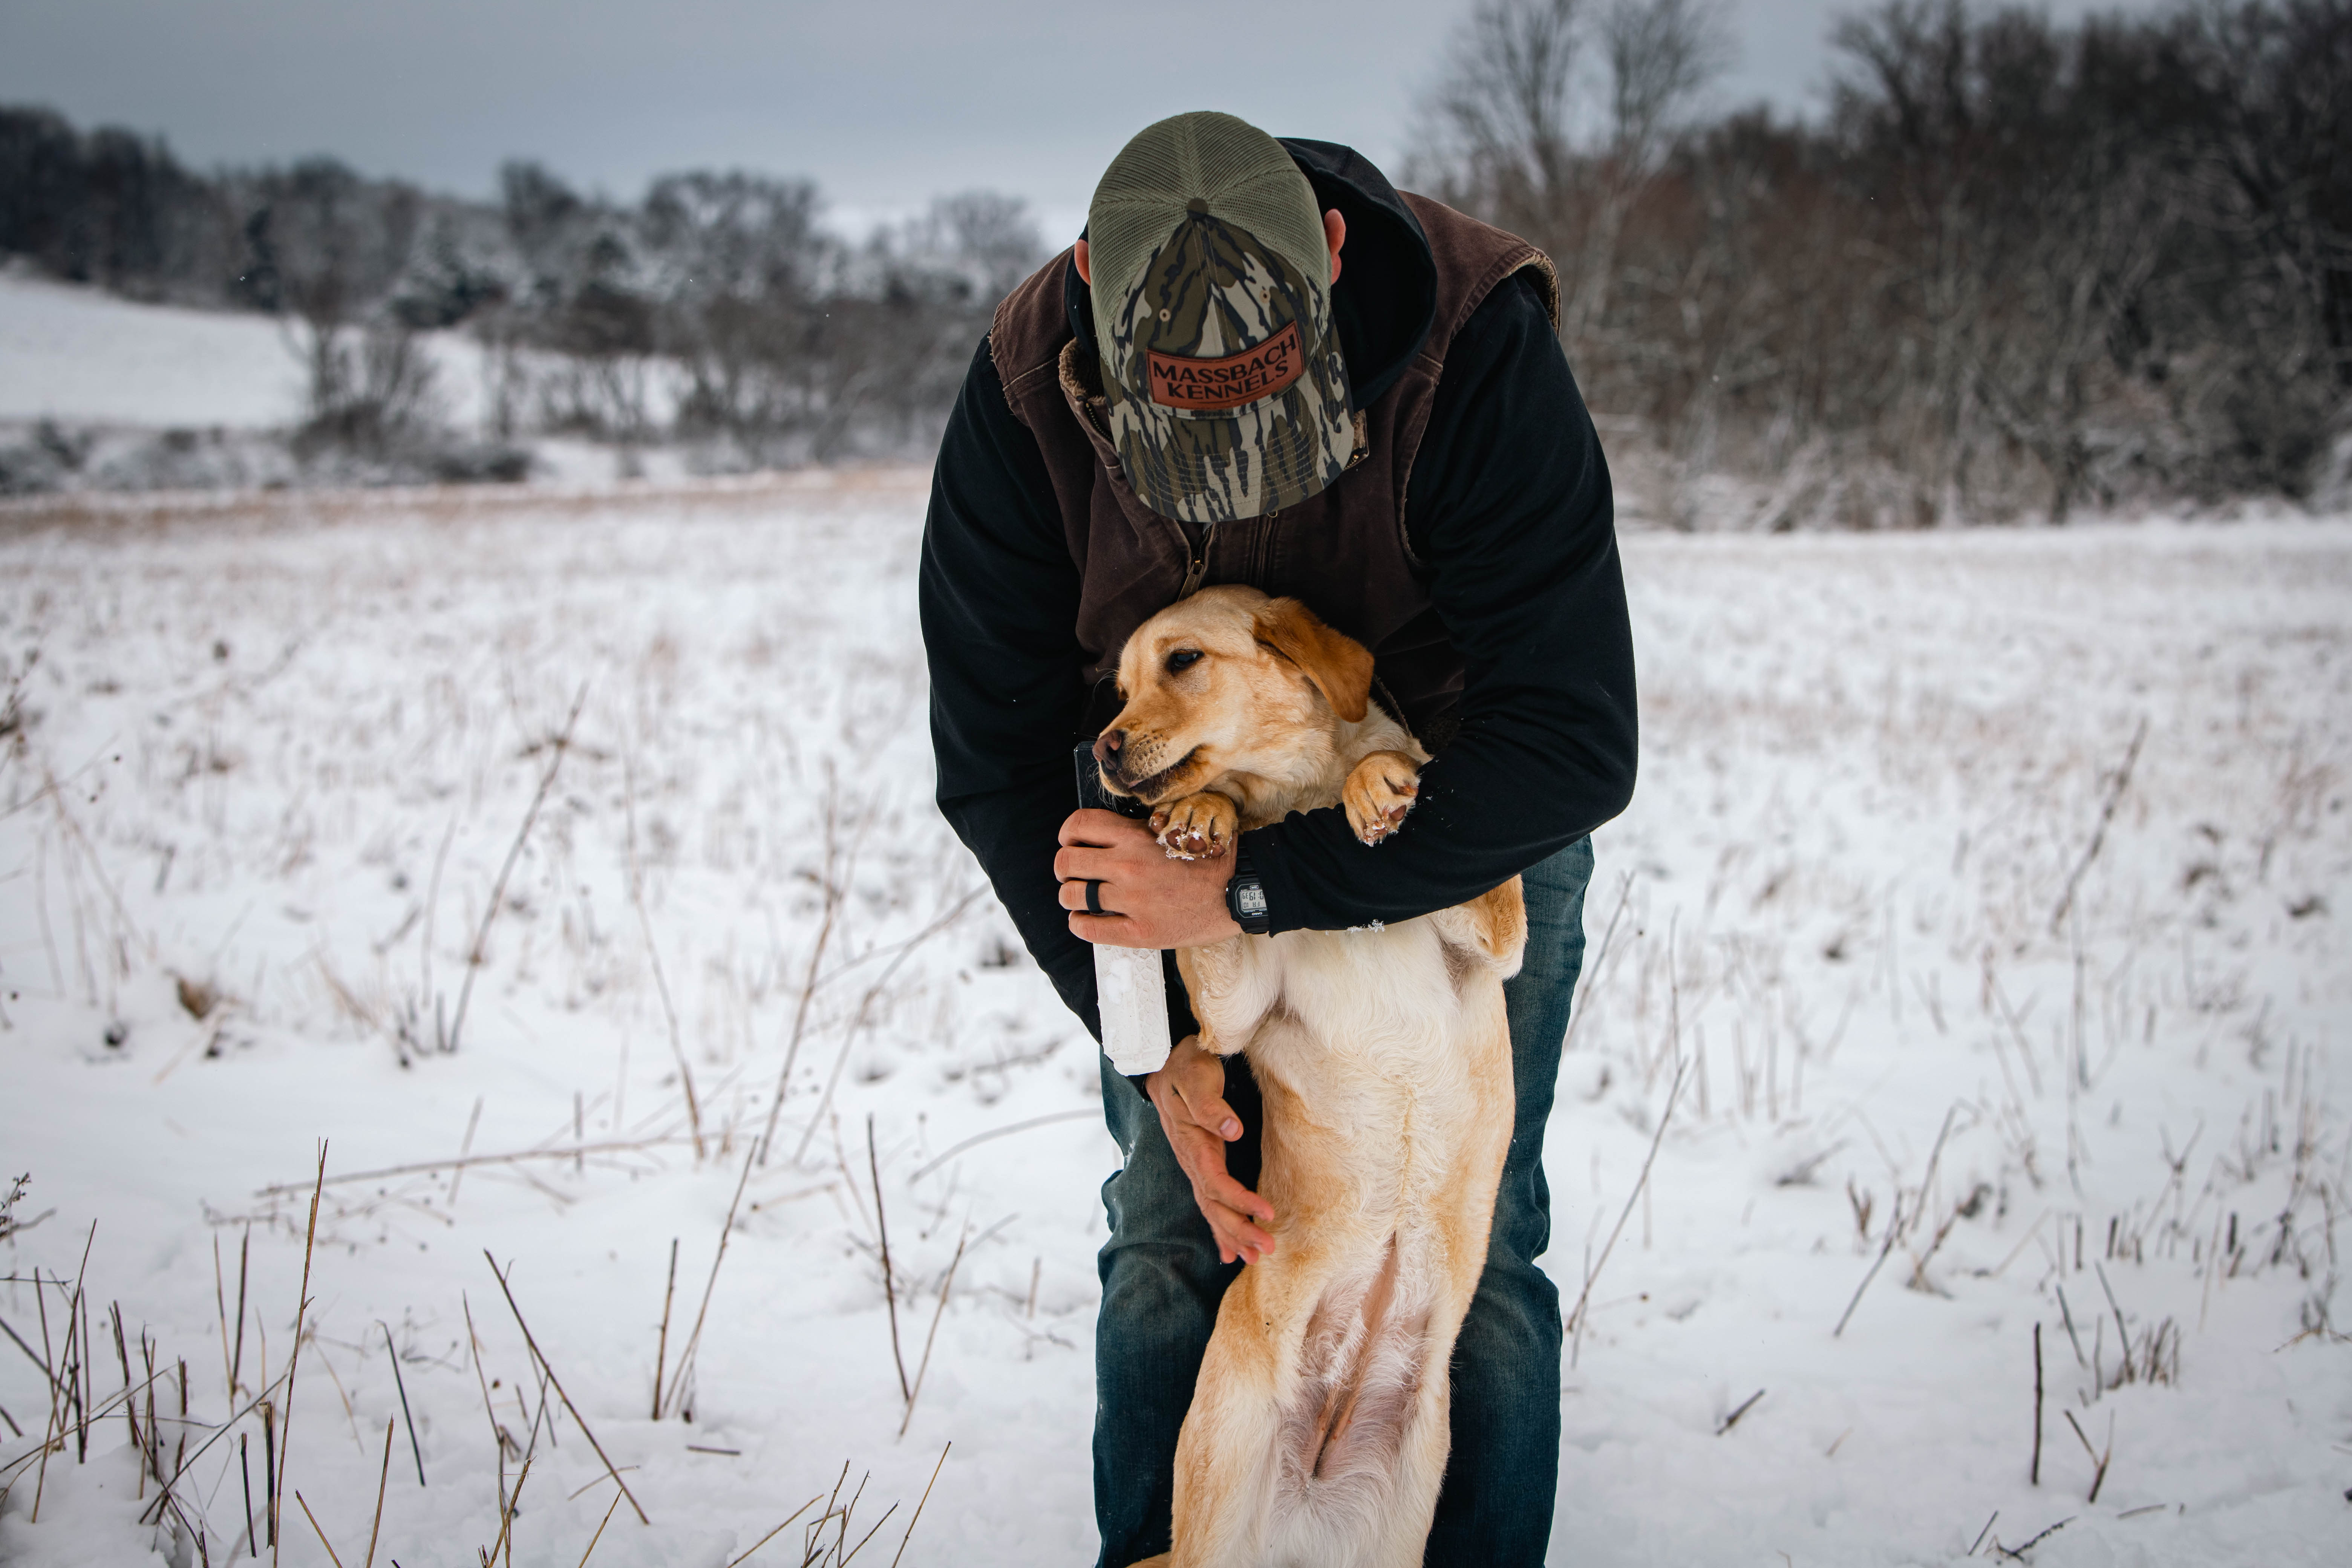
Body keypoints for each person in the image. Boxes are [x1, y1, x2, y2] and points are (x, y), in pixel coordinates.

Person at [919, 110, 1636, 1567]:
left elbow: (1573, 738)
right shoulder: (1022, 385)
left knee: (1472, 1261)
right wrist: (1152, 1048)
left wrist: (1249, 888)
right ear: (1094, 294)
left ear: (1332, 254)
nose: (1231, 484)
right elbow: (997, 759)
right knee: (1178, 1239)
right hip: (1172, 839)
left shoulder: (1476, 343)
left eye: (1266, 427)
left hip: (1449, 804)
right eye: (1184, 443)